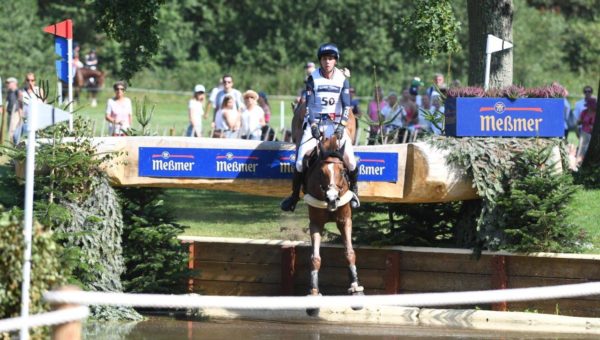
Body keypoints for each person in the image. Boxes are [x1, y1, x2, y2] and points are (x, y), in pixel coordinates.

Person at [280, 43, 359, 212]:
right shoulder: (313, 78)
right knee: (300, 161)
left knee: (351, 161)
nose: (327, 62)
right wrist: (314, 125)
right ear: (321, 61)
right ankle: (294, 196)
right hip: (316, 123)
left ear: (335, 61)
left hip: (336, 124)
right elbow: (309, 105)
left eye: (331, 59)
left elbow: (346, 105)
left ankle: (354, 192)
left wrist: (342, 125)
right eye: (324, 59)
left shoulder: (342, 79)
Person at [13, 73, 45, 144]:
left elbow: (44, 104)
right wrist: (20, 119)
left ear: (35, 81)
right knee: (15, 136)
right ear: (25, 81)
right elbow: (20, 107)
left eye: (32, 80)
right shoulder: (21, 92)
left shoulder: (39, 90)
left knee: (35, 139)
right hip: (26, 119)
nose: (30, 82)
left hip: (37, 119)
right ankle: (18, 151)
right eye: (28, 80)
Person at [576, 97, 597, 165]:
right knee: (582, 149)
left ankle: (589, 164)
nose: (589, 107)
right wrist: (583, 122)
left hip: (594, 134)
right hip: (584, 133)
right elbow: (578, 122)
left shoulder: (597, 113)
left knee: (591, 149)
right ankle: (579, 164)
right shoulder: (584, 112)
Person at [3, 77, 19, 143]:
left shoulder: (17, 91)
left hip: (15, 114)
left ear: (14, 83)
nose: (7, 84)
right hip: (9, 114)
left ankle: (15, 147)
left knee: (13, 131)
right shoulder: (9, 92)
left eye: (8, 83)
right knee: (9, 131)